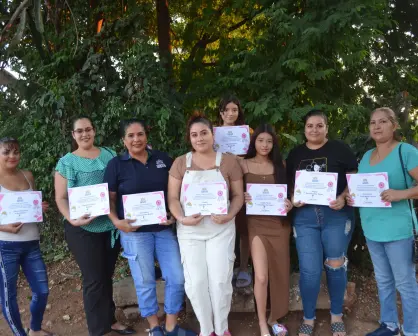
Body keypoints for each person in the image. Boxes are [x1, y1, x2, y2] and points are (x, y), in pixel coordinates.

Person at [103, 119, 196, 336]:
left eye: (140, 134)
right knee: (144, 281)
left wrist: (174, 216)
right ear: (123, 140)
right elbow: (108, 199)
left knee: (177, 276)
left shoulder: (163, 159)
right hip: (135, 234)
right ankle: (154, 327)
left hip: (163, 229)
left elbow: (177, 192)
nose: (136, 139)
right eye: (131, 136)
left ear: (146, 136)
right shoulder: (116, 165)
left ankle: (171, 326)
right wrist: (117, 222)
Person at [54, 116, 133, 336]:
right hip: (82, 229)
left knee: (106, 275)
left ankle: (111, 321)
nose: (84, 134)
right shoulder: (66, 162)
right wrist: (72, 218)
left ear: (94, 131)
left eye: (88, 129)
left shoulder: (108, 155)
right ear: (73, 135)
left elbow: (119, 181)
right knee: (93, 279)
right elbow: (60, 198)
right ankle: (98, 330)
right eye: (79, 131)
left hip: (109, 226)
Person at [168, 114, 244, 336]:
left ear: (213, 134)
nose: (199, 138)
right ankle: (206, 328)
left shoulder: (228, 162)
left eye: (204, 133)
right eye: (194, 135)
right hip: (190, 231)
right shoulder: (181, 163)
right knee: (196, 283)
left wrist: (230, 214)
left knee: (220, 282)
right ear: (189, 138)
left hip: (221, 230)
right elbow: (172, 198)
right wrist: (182, 219)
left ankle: (222, 328)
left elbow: (238, 195)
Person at [347, 107, 418, 336]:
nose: (376, 126)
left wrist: (401, 194)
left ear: (394, 125)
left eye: (383, 122)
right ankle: (389, 324)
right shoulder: (367, 156)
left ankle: (412, 329)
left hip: (398, 229)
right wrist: (350, 195)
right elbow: (360, 185)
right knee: (383, 280)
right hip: (372, 228)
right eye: (373, 122)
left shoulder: (405, 151)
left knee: (405, 283)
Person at [286, 109, 358, 336]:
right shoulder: (295, 154)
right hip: (305, 218)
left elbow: (354, 176)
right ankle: (309, 316)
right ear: (304, 129)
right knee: (309, 271)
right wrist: (293, 200)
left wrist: (344, 196)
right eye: (310, 126)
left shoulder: (340, 149)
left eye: (319, 125)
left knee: (336, 264)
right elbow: (289, 186)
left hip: (336, 215)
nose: (314, 130)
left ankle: (336, 314)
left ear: (327, 128)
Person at [240, 125, 292, 336]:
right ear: (254, 143)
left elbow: (289, 194)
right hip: (255, 224)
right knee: (261, 276)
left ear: (274, 144)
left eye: (269, 141)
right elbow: (232, 191)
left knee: (279, 273)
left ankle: (274, 318)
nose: (264, 145)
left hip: (279, 225)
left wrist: (290, 203)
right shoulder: (242, 164)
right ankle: (262, 323)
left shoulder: (280, 165)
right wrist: (241, 196)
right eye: (260, 140)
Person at [0, 137, 52, 336]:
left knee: (42, 291)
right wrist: (4, 228)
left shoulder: (27, 175)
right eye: (6, 152)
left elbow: (29, 206)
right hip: (5, 245)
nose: (12, 156)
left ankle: (35, 330)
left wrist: (39, 207)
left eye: (16, 152)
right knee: (9, 296)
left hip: (32, 243)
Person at [218, 95, 252, 288]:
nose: (231, 113)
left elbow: (256, 160)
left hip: (242, 185)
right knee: (223, 228)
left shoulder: (247, 133)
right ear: (221, 112)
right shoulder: (212, 134)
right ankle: (226, 269)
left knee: (243, 229)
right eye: (227, 109)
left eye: (235, 110)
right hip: (219, 187)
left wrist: (240, 160)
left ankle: (244, 268)